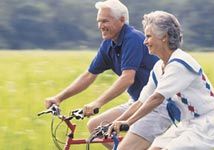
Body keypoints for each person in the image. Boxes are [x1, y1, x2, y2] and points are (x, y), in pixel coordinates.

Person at [44, 0, 159, 149]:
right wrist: (59, 98)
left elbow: (127, 78)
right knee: (95, 126)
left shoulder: (133, 38)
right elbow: (89, 75)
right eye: (99, 21)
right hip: (136, 101)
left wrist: (97, 103)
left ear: (122, 20)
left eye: (105, 21)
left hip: (154, 104)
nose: (100, 26)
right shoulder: (108, 44)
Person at [110, 11, 214, 150]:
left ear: (164, 37)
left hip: (207, 125)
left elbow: (156, 99)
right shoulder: (159, 67)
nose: (145, 41)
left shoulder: (179, 63)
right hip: (186, 124)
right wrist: (118, 121)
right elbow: (141, 101)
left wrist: (128, 123)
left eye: (148, 36)